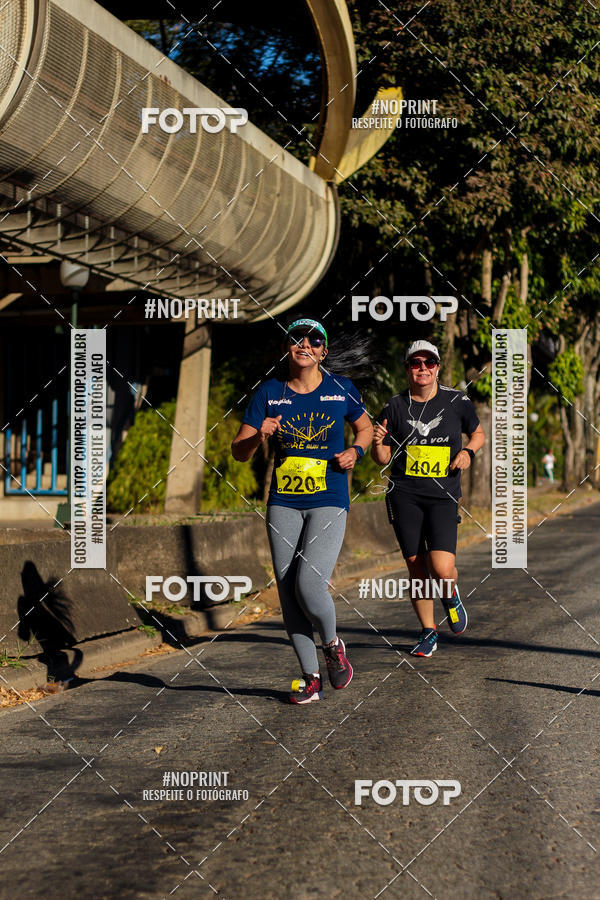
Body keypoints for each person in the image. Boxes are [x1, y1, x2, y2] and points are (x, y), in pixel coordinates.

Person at [231, 318, 373, 702]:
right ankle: (310, 678)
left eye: (314, 339)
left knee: (309, 583)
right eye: (297, 338)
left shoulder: (341, 389)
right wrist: (259, 434)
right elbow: (238, 451)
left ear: (323, 351)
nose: (305, 344)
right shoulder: (270, 393)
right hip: (284, 502)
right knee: (288, 592)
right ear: (287, 348)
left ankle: (331, 645)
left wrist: (355, 452)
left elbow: (365, 428)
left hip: (329, 498)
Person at [371, 340, 485, 657]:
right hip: (404, 493)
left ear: (437, 368)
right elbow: (381, 458)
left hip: (442, 495)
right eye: (416, 363)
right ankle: (428, 631)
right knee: (416, 566)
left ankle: (450, 594)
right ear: (407, 368)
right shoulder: (394, 406)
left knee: (442, 566)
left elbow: (478, 434)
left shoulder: (456, 401)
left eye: (429, 363)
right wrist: (378, 443)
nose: (423, 368)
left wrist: (467, 452)